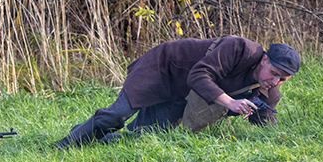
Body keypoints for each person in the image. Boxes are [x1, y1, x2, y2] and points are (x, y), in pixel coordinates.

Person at [52, 35, 300, 149]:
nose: (276, 81)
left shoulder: (268, 92)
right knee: (117, 115)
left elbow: (267, 125)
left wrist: (281, 144)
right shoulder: (239, 48)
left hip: (181, 95)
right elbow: (199, 75)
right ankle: (61, 146)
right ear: (264, 59)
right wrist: (230, 103)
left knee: (143, 136)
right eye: (275, 73)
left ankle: (89, 137)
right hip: (162, 68)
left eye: (283, 79)